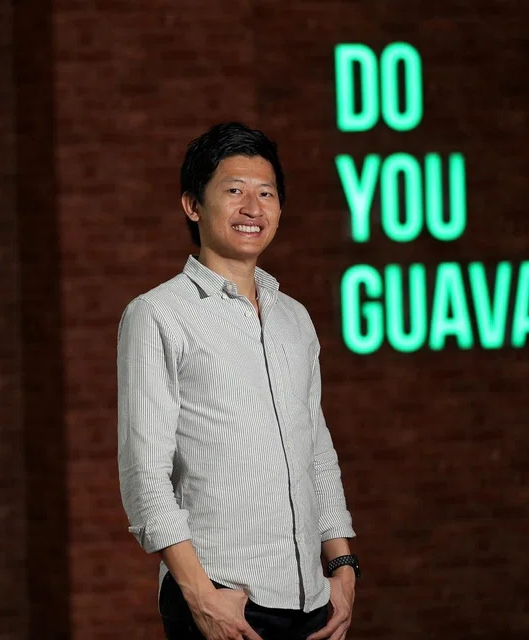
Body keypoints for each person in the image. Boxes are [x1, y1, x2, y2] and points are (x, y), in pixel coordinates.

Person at [116, 122, 359, 640]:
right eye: (234, 191)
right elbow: (143, 476)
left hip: (312, 601)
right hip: (224, 600)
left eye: (266, 193)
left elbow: (316, 449)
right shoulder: (158, 314)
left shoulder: (294, 317)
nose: (253, 207)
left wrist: (342, 566)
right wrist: (200, 595)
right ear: (193, 206)